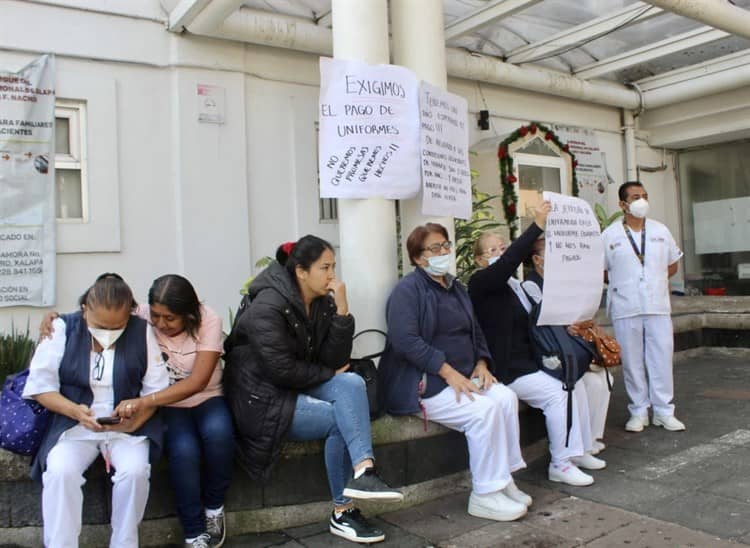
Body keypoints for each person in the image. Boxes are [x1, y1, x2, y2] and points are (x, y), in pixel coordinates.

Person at [223, 235, 403, 545]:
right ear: (301, 271)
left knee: (352, 383)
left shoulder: (320, 301)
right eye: (325, 267)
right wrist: (327, 372)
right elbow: (279, 369)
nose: (332, 275)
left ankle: (365, 470)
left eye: (333, 266)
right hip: (262, 398)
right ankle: (342, 510)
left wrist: (343, 313)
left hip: (294, 384)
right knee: (338, 418)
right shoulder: (268, 305)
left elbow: (334, 359)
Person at [41, 275, 234, 548]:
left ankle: (213, 507)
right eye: (156, 315)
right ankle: (193, 530)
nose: (160, 324)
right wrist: (56, 319)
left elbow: (197, 382)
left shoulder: (208, 320)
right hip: (167, 405)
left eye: (170, 318)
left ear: (189, 314)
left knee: (219, 436)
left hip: (204, 396)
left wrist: (143, 403)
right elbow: (101, 308)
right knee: (183, 450)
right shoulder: (141, 314)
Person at [379, 223, 530, 523]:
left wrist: (482, 363)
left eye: (445, 245)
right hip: (427, 382)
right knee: (483, 412)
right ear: (418, 258)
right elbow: (406, 341)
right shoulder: (408, 291)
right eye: (435, 248)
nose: (444, 252)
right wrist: (447, 372)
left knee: (505, 397)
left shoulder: (455, 287)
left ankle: (503, 478)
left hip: (465, 374)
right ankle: (485, 495)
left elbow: (475, 331)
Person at [23, 273, 169, 548]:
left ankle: (124, 543)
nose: (109, 333)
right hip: (74, 423)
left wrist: (134, 421)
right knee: (60, 472)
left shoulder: (142, 330)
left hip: (127, 426)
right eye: (101, 326)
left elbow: (154, 392)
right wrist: (75, 411)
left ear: (130, 313)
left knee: (135, 472)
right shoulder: (62, 329)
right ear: (84, 310)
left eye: (119, 327)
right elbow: (41, 387)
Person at [468, 210, 605, 488]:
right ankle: (560, 463)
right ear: (480, 260)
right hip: (510, 369)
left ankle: (576, 452)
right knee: (558, 394)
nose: (500, 252)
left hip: (533, 361)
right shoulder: (481, 283)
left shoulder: (516, 287)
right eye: (492, 250)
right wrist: (537, 226)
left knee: (575, 383)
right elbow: (507, 264)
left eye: (502, 247)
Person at [603, 181, 685, 433]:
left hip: (658, 305)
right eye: (636, 196)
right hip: (626, 306)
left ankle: (663, 411)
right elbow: (603, 271)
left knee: (660, 359)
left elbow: (673, 264)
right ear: (622, 204)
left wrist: (655, 280)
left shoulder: (660, 230)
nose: (642, 201)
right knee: (632, 361)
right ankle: (638, 411)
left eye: (645, 196)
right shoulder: (610, 235)